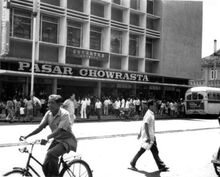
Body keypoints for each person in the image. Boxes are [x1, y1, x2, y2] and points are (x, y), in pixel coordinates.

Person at [22, 94, 77, 177]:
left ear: (59, 105)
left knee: (51, 154)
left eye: (52, 103)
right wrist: (27, 136)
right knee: (45, 166)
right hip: (57, 140)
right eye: (48, 103)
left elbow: (59, 130)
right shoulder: (48, 114)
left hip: (67, 141)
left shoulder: (65, 114)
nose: (49, 105)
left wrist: (47, 137)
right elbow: (40, 127)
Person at [130, 99, 169, 172]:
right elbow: (145, 124)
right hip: (149, 137)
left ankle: (133, 162)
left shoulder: (150, 113)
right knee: (153, 151)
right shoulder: (148, 114)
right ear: (150, 106)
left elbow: (143, 124)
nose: (155, 106)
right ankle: (161, 166)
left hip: (151, 136)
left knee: (147, 151)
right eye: (154, 105)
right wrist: (148, 136)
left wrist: (140, 133)